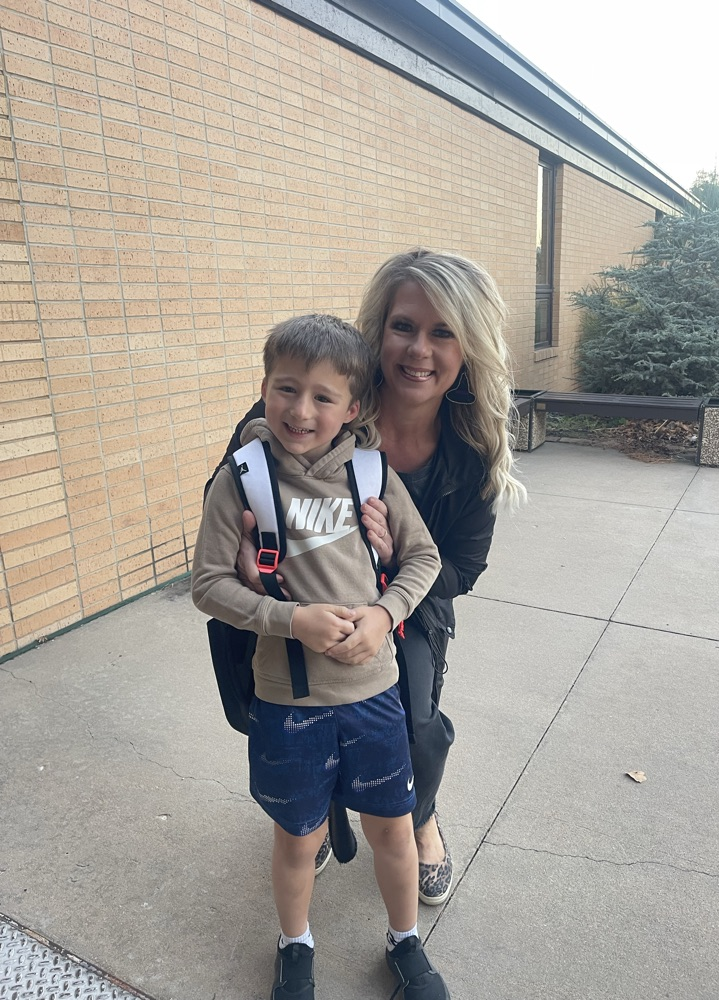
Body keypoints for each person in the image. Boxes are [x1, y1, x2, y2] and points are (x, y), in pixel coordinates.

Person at [215, 248, 525, 906]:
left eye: (444, 332)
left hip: (409, 600)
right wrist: (250, 550)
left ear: (468, 347)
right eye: (405, 326)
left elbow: (462, 566)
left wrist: (387, 592)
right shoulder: (319, 393)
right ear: (378, 330)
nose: (420, 349)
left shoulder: (470, 448)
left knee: (415, 729)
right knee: (278, 712)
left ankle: (419, 815)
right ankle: (316, 809)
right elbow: (239, 485)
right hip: (290, 595)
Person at [193, 314, 451, 1000]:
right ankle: (295, 943)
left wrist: (383, 611)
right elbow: (208, 585)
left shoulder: (371, 474)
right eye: (285, 389)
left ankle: (404, 942)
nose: (301, 410)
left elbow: (424, 557)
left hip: (374, 697)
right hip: (290, 704)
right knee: (296, 839)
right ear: (264, 388)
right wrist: (288, 619)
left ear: (354, 407)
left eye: (323, 396)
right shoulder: (242, 481)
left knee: (393, 834)